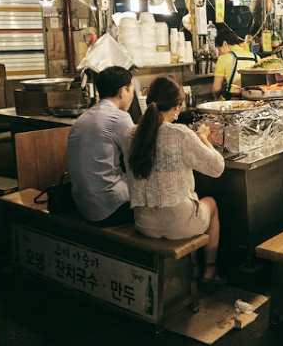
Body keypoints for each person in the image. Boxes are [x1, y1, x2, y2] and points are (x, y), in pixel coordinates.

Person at [124, 75, 225, 284]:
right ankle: (210, 271)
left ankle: (193, 267)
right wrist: (203, 137)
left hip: (144, 223)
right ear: (178, 107)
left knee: (189, 205)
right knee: (210, 204)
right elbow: (217, 167)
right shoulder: (180, 134)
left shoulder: (129, 135)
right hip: (178, 224)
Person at [67, 66, 136, 224]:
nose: (132, 96)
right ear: (122, 91)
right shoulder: (119, 117)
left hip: (84, 207)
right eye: (132, 90)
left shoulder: (82, 119)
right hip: (111, 208)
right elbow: (139, 157)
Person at [212, 29, 259, 100]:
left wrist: (216, 97)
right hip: (256, 99)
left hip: (235, 101)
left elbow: (216, 88)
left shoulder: (223, 58)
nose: (220, 53)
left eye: (219, 50)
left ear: (225, 43)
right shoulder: (256, 57)